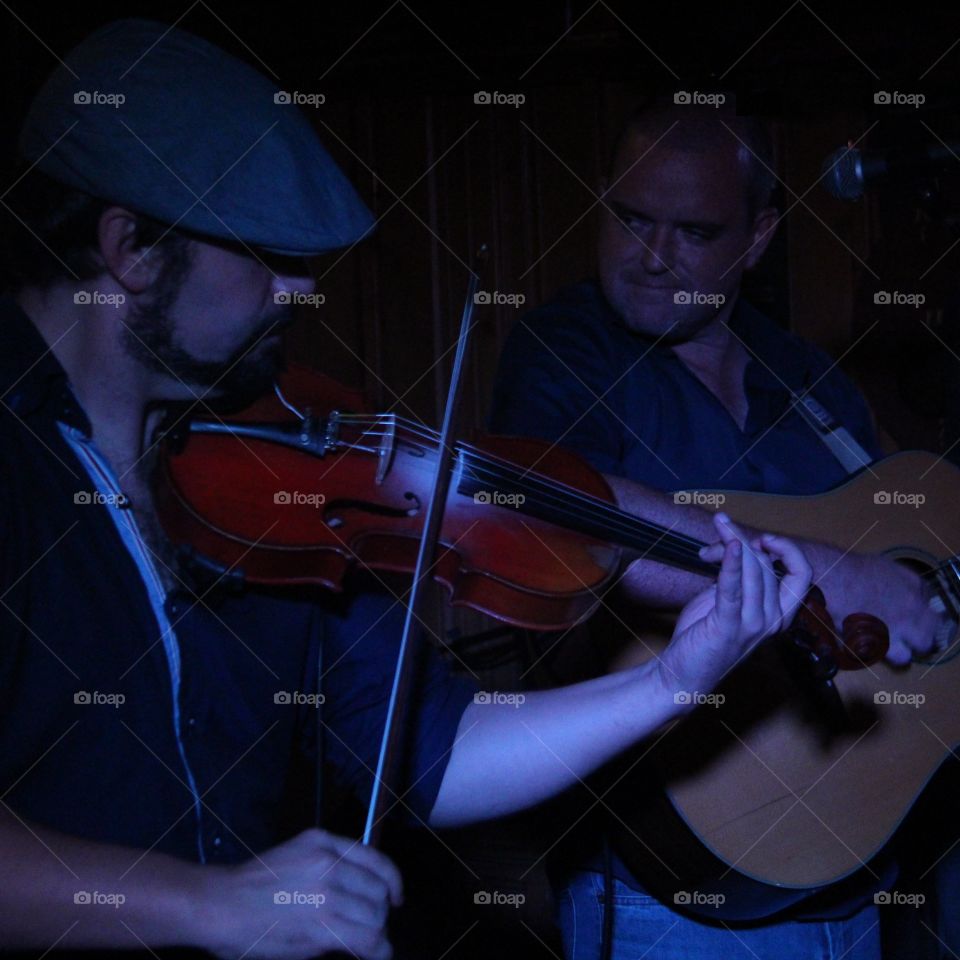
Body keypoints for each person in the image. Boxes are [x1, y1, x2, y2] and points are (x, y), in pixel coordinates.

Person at [0, 24, 813, 960]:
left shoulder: (277, 479)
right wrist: (204, 905)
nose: (298, 293)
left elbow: (438, 752)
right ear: (131, 249)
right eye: (268, 258)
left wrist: (670, 682)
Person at [488, 97, 944, 959]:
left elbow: (901, 580)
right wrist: (835, 573)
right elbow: (557, 515)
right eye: (629, 218)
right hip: (669, 894)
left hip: (853, 876)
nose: (651, 258)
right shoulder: (561, 352)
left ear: (758, 238)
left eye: (694, 232)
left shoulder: (815, 385)